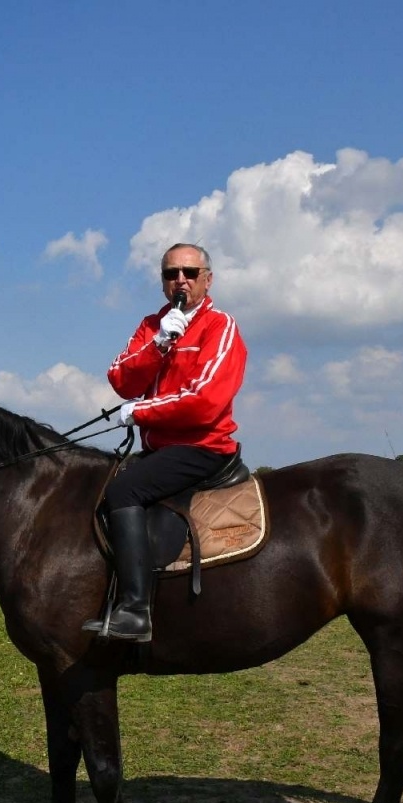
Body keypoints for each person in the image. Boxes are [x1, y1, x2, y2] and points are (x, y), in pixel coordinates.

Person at [84, 242, 249, 642]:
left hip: (202, 447)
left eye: (190, 273)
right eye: (172, 273)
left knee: (123, 491)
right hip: (159, 448)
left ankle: (135, 610)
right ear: (162, 282)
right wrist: (158, 345)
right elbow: (121, 379)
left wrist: (140, 412)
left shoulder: (220, 327)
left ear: (207, 280)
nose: (181, 281)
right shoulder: (152, 325)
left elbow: (205, 402)